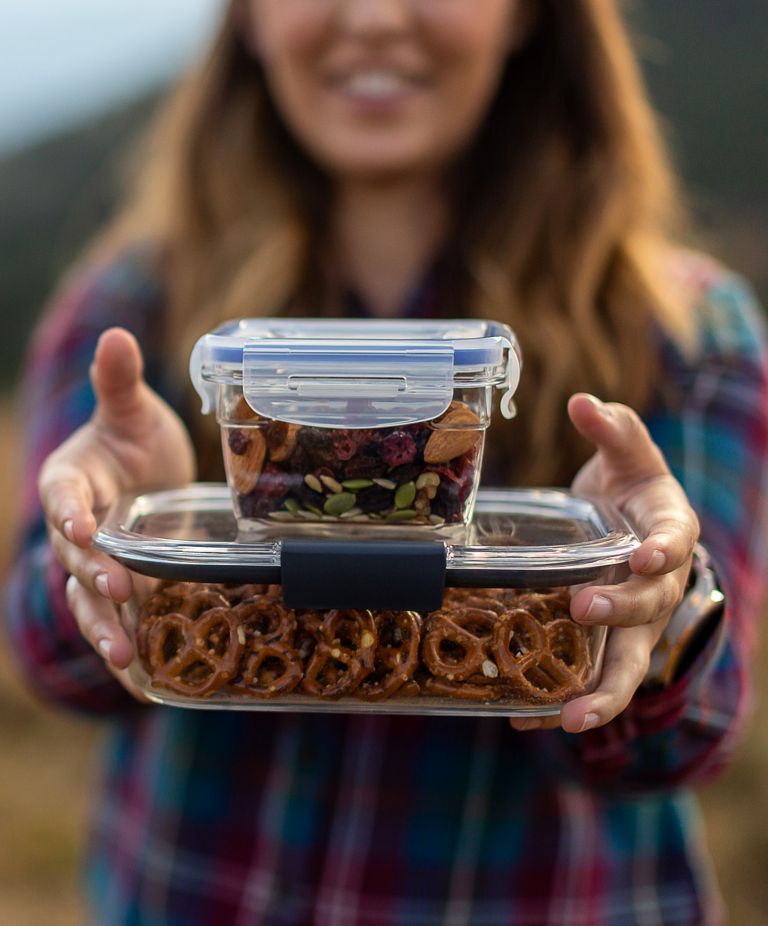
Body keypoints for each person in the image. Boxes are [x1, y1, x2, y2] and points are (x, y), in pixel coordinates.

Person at [6, 1, 768, 923]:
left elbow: (693, 732)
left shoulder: (688, 333)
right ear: (249, 18)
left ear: (528, 16)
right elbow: (51, 662)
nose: (371, 18)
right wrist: (111, 542)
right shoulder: (130, 304)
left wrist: (644, 585)